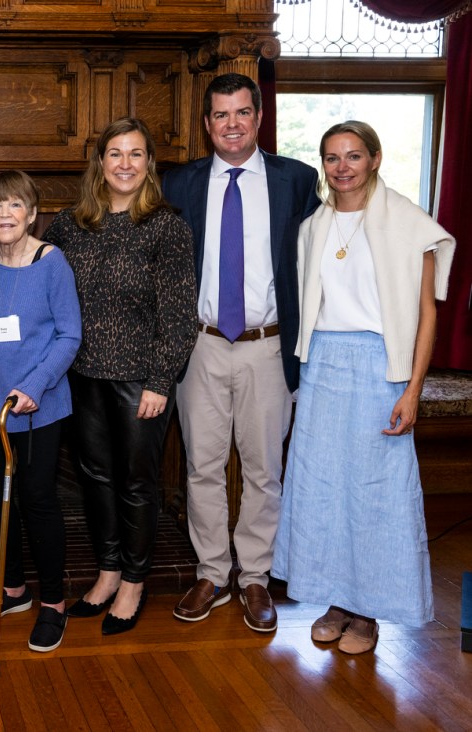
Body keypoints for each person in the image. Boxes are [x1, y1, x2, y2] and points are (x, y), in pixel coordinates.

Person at [272, 121, 455, 654]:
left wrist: (412, 390)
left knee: (377, 494)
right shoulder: (314, 226)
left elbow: (426, 315)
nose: (342, 167)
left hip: (381, 364)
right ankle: (336, 599)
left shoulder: (407, 223)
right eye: (332, 158)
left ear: (374, 159)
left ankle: (369, 611)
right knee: (323, 489)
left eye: (354, 156)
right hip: (324, 364)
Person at [162, 73, 321, 633]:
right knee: (202, 466)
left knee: (263, 469)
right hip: (201, 345)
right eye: (221, 115)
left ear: (259, 118)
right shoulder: (179, 185)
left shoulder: (296, 180)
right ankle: (212, 572)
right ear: (207, 125)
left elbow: (327, 249)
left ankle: (255, 577)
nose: (232, 124)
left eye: (242, 113)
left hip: (267, 346)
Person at [44, 117, 197, 634]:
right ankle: (108, 572)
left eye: (136, 154)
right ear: (101, 163)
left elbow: (179, 315)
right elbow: (31, 270)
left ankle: (134, 579)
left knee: (136, 483)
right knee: (95, 478)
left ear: (148, 163)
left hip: (141, 381)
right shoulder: (68, 225)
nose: (125, 164)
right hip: (81, 376)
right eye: (115, 153)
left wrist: (161, 381)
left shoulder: (167, 227)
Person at [0, 170, 81, 652]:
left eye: (15, 206)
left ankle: (53, 602)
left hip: (39, 406)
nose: (5, 215)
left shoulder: (52, 262)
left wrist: (35, 385)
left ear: (32, 213)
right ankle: (12, 590)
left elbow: (69, 335)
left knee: (36, 501)